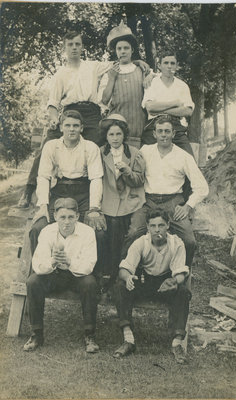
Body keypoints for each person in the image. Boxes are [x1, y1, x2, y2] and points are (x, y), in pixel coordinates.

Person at [18, 30, 149, 208]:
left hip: (92, 113)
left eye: (77, 44)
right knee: (47, 145)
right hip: (70, 113)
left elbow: (119, 62)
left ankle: (109, 193)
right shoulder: (60, 74)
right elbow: (53, 103)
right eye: (70, 45)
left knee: (105, 145)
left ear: (82, 47)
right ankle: (28, 191)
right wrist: (55, 118)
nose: (74, 48)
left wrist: (137, 62)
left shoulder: (93, 66)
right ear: (64, 48)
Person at [122, 115, 209, 268]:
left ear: (173, 134)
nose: (163, 135)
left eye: (167, 131)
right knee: (134, 233)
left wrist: (187, 206)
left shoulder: (183, 156)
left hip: (173, 202)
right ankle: (126, 273)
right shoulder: (145, 151)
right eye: (160, 131)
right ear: (154, 134)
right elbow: (135, 175)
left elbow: (202, 187)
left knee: (189, 240)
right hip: (148, 201)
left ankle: (182, 275)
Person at [29, 109, 106, 279]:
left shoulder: (90, 147)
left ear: (82, 128)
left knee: (98, 231)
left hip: (83, 191)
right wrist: (43, 205)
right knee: (37, 228)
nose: (72, 129)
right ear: (61, 127)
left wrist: (94, 208)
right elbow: (43, 176)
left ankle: (93, 278)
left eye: (76, 126)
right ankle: (41, 275)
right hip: (60, 190)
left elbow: (96, 179)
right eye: (68, 125)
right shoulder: (51, 146)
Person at [113, 209, 191, 364]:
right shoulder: (141, 242)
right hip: (144, 281)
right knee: (120, 286)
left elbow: (180, 271)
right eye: (153, 226)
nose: (157, 230)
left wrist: (175, 281)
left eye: (161, 225)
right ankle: (129, 340)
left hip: (165, 283)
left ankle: (177, 343)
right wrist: (128, 276)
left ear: (168, 225)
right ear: (147, 227)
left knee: (183, 291)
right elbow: (124, 268)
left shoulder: (177, 243)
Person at [23, 197, 100, 353]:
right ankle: (36, 334)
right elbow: (38, 265)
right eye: (62, 217)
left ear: (77, 216)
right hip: (54, 273)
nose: (66, 222)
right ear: (55, 217)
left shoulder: (87, 232)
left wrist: (70, 262)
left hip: (76, 275)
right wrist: (53, 261)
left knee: (90, 283)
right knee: (33, 282)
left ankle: (89, 335)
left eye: (71, 217)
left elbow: (88, 266)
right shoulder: (47, 232)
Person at [100, 114, 145, 287]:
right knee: (109, 230)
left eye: (118, 134)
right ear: (106, 136)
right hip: (109, 200)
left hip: (130, 200)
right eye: (111, 134)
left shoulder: (134, 153)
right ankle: (110, 274)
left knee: (130, 232)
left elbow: (139, 181)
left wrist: (127, 171)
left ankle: (124, 274)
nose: (115, 138)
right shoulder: (100, 152)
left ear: (124, 135)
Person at [98, 21, 147, 149]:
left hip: (138, 128)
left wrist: (149, 74)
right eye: (119, 49)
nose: (123, 52)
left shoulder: (141, 70)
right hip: (116, 130)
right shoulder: (109, 72)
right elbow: (104, 100)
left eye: (126, 48)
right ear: (115, 51)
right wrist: (112, 79)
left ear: (132, 50)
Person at [141, 51, 194, 156]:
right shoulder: (152, 83)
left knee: (189, 159)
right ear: (159, 65)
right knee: (144, 158)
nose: (169, 66)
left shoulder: (182, 85)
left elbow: (188, 111)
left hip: (176, 126)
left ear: (177, 66)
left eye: (172, 63)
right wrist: (175, 103)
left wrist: (160, 109)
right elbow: (150, 107)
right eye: (166, 63)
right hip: (154, 125)